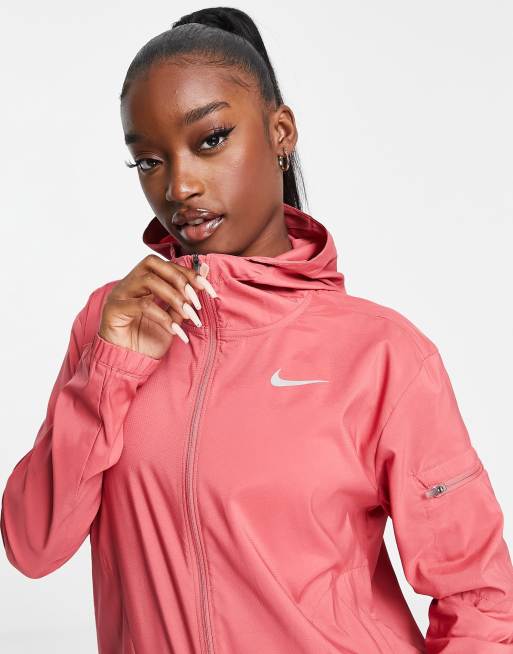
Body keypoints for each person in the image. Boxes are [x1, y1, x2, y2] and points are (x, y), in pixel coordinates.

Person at [2, 6, 513, 653]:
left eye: (210, 139)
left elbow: (480, 601)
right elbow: (33, 546)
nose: (180, 185)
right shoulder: (112, 326)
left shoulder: (380, 353)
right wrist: (110, 369)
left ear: (280, 132)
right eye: (148, 161)